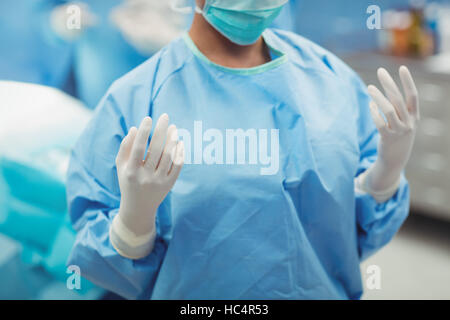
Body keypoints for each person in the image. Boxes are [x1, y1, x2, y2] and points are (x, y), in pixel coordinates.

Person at [67, 0, 420, 299]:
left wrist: (385, 174)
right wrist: (133, 221)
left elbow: (350, 234)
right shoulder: (137, 98)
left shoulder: (330, 80)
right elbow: (105, 260)